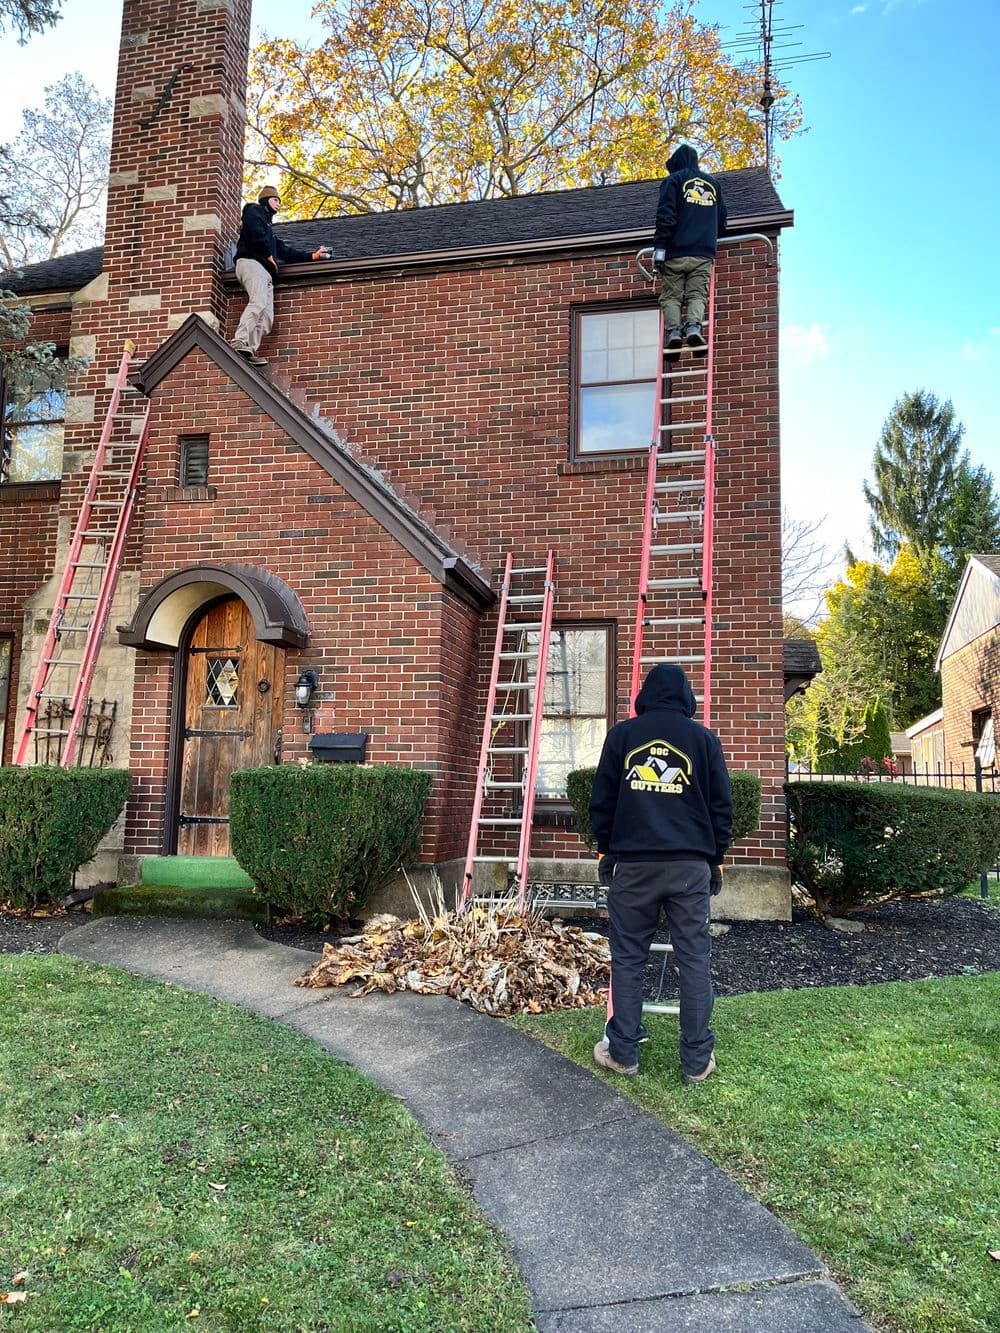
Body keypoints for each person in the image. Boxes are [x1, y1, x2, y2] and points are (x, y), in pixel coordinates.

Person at [589, 663, 732, 1084]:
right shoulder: (703, 740)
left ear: (646, 695)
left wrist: (605, 850)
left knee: (629, 959)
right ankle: (695, 1061)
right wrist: (716, 857)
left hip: (633, 867)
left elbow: (603, 800)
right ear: (686, 696)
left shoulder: (623, 736)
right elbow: (721, 806)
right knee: (694, 959)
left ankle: (623, 1053)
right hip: (689, 868)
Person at [230, 186, 330, 367]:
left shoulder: (269, 230)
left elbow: (285, 251)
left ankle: (248, 350)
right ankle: (239, 341)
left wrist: (312, 256)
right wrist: (268, 256)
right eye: (276, 200)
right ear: (267, 199)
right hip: (251, 263)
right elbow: (255, 234)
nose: (278, 204)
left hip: (265, 273)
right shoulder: (253, 211)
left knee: (267, 319)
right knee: (258, 302)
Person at [652, 144, 727, 356]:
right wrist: (708, 238)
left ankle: (674, 332)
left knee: (671, 297)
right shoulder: (713, 184)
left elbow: (665, 215)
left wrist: (660, 248)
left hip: (675, 252)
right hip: (703, 253)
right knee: (697, 294)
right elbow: (722, 220)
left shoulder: (674, 180)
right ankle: (694, 327)